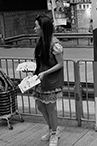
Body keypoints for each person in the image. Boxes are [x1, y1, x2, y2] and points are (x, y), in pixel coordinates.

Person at [33, 14, 64, 146]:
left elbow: (60, 64)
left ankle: (54, 134)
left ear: (43, 28)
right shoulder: (40, 41)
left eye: (36, 26)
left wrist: (45, 73)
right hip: (41, 80)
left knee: (51, 108)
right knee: (40, 106)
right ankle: (52, 129)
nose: (34, 29)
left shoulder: (55, 44)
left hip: (51, 81)